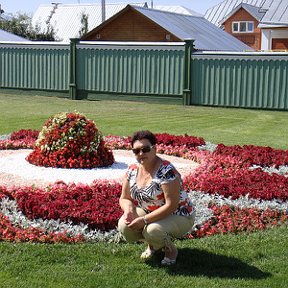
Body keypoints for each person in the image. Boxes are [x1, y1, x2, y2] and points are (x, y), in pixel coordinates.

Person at [118, 130, 195, 265]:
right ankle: (153, 244)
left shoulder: (166, 170)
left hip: (179, 214)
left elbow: (171, 205)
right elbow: (124, 198)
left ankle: (170, 250)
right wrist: (128, 210)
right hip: (150, 211)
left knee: (153, 230)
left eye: (145, 149)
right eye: (136, 151)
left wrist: (144, 220)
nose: (141, 154)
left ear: (155, 149)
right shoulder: (132, 170)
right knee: (124, 226)